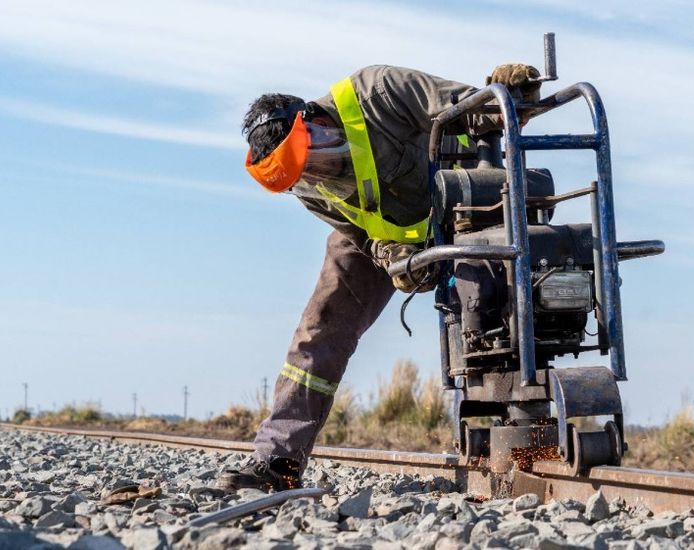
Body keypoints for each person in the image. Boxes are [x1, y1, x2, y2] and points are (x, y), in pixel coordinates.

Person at [216, 64, 541, 492]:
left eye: (315, 161)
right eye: (303, 178)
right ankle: (277, 462)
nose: (316, 177)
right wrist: (390, 254)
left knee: (489, 311)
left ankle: (528, 422)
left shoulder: (379, 92)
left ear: (314, 122)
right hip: (388, 242)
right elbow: (356, 228)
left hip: (467, 213)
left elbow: (473, 113)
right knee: (320, 332)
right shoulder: (305, 182)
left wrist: (509, 93)